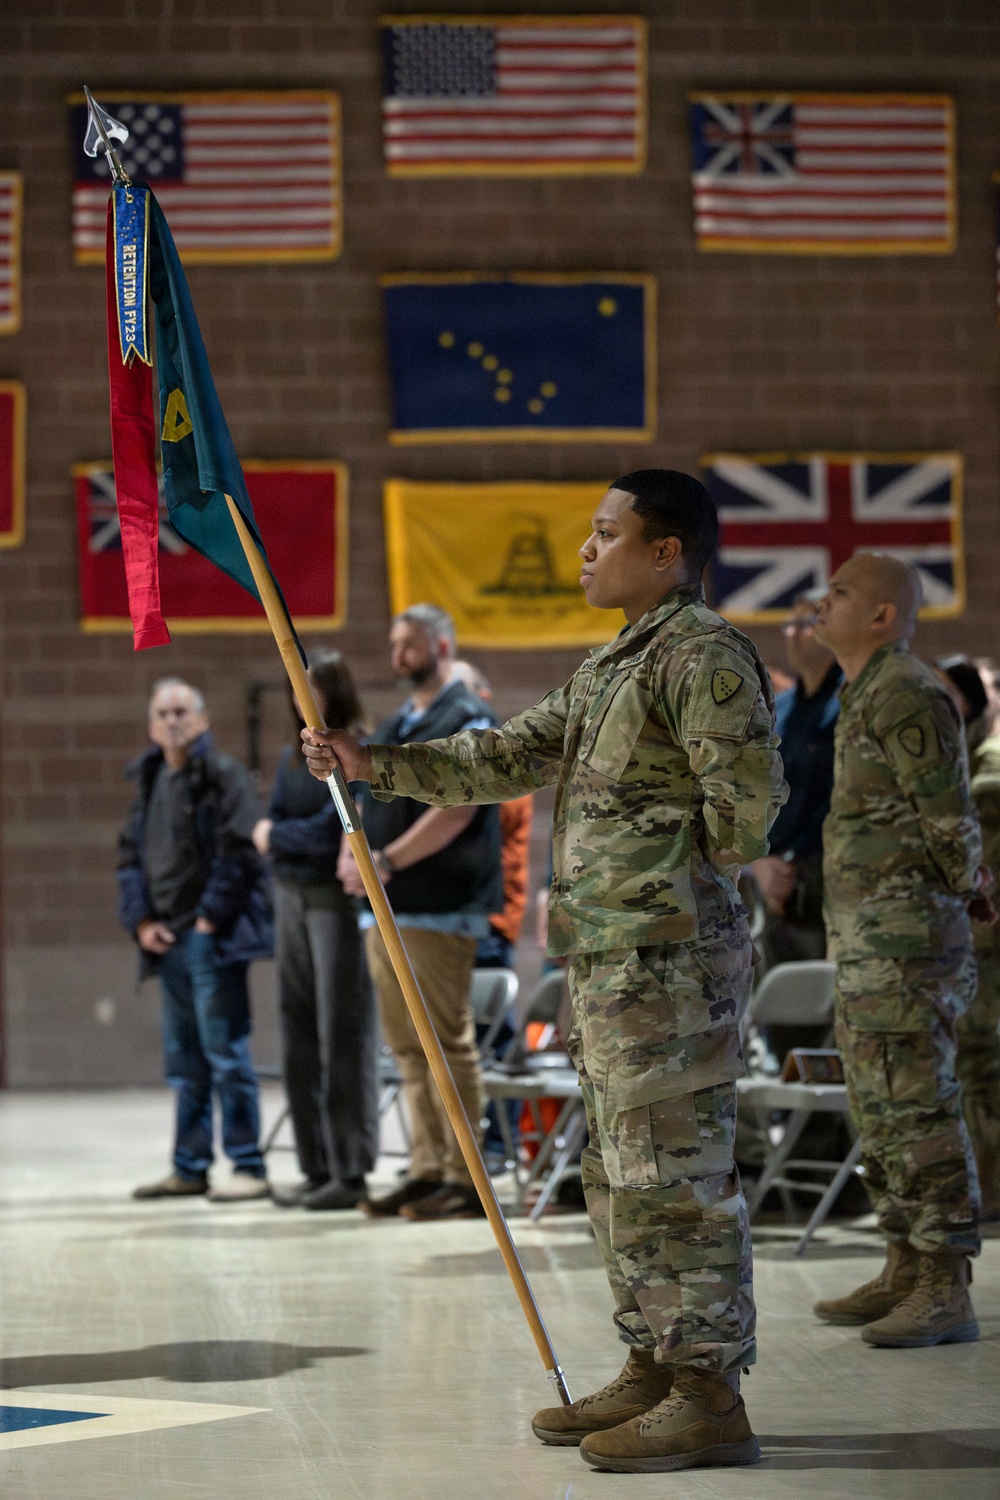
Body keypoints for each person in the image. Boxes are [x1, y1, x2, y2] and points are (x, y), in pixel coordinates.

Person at [302, 472, 786, 1475]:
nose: (586, 550)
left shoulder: (701, 655)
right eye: (589, 533)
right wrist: (368, 762)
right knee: (616, 1173)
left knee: (677, 1177)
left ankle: (709, 1390)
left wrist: (656, 863)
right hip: (611, 955)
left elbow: (745, 811)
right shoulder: (615, 662)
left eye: (608, 534)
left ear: (666, 552)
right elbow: (505, 755)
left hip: (670, 957)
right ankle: (653, 1361)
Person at [811, 555, 989, 1346]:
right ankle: (902, 1263)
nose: (824, 601)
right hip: (867, 938)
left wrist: (967, 890)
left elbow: (948, 814)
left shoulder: (910, 691)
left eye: (842, 592)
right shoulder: (864, 693)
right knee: (879, 1104)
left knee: (918, 1102)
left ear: (884, 615)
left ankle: (946, 1280)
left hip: (910, 938)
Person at [336, 605, 502, 1222]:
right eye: (394, 644)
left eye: (409, 644)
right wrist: (352, 855)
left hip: (437, 904)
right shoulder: (402, 718)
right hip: (389, 906)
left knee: (443, 1045)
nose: (398, 656)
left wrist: (389, 861)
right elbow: (365, 795)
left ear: (441, 644)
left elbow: (456, 809)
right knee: (407, 1049)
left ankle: (466, 1178)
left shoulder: (466, 716)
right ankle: (427, 1166)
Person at [118, 678, 272, 1202]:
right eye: (164, 713)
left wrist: (209, 920)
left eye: (183, 711)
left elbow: (241, 852)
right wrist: (141, 922)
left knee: (226, 1053)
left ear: (203, 720)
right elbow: (129, 862)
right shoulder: (149, 779)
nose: (174, 721)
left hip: (213, 938)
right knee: (184, 1062)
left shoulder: (223, 776)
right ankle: (189, 1166)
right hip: (167, 939)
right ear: (151, 726)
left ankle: (248, 1165)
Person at [254, 651, 379, 1211]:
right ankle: (315, 1165)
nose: (302, 697)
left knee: (341, 1035)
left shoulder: (353, 754)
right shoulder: (290, 758)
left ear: (335, 692)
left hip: (333, 906)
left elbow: (330, 831)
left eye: (313, 688)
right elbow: (284, 825)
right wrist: (284, 837)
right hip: (291, 900)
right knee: (298, 1034)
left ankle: (350, 1169)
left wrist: (278, 838)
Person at [936, 656, 1000, 1221]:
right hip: (972, 937)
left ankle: (991, 1186)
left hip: (986, 941)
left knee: (981, 1061)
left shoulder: (985, 772)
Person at [749, 591, 842, 968]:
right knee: (782, 1008)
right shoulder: (780, 710)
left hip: (829, 872)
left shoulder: (849, 701)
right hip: (774, 881)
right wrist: (759, 861)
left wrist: (789, 859)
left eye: (805, 624)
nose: (793, 634)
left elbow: (840, 793)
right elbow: (757, 791)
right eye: (789, 624)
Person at [451, 659, 534, 970]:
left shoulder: (504, 762)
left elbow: (468, 820)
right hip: (447, 921)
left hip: (488, 926)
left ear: (481, 698)